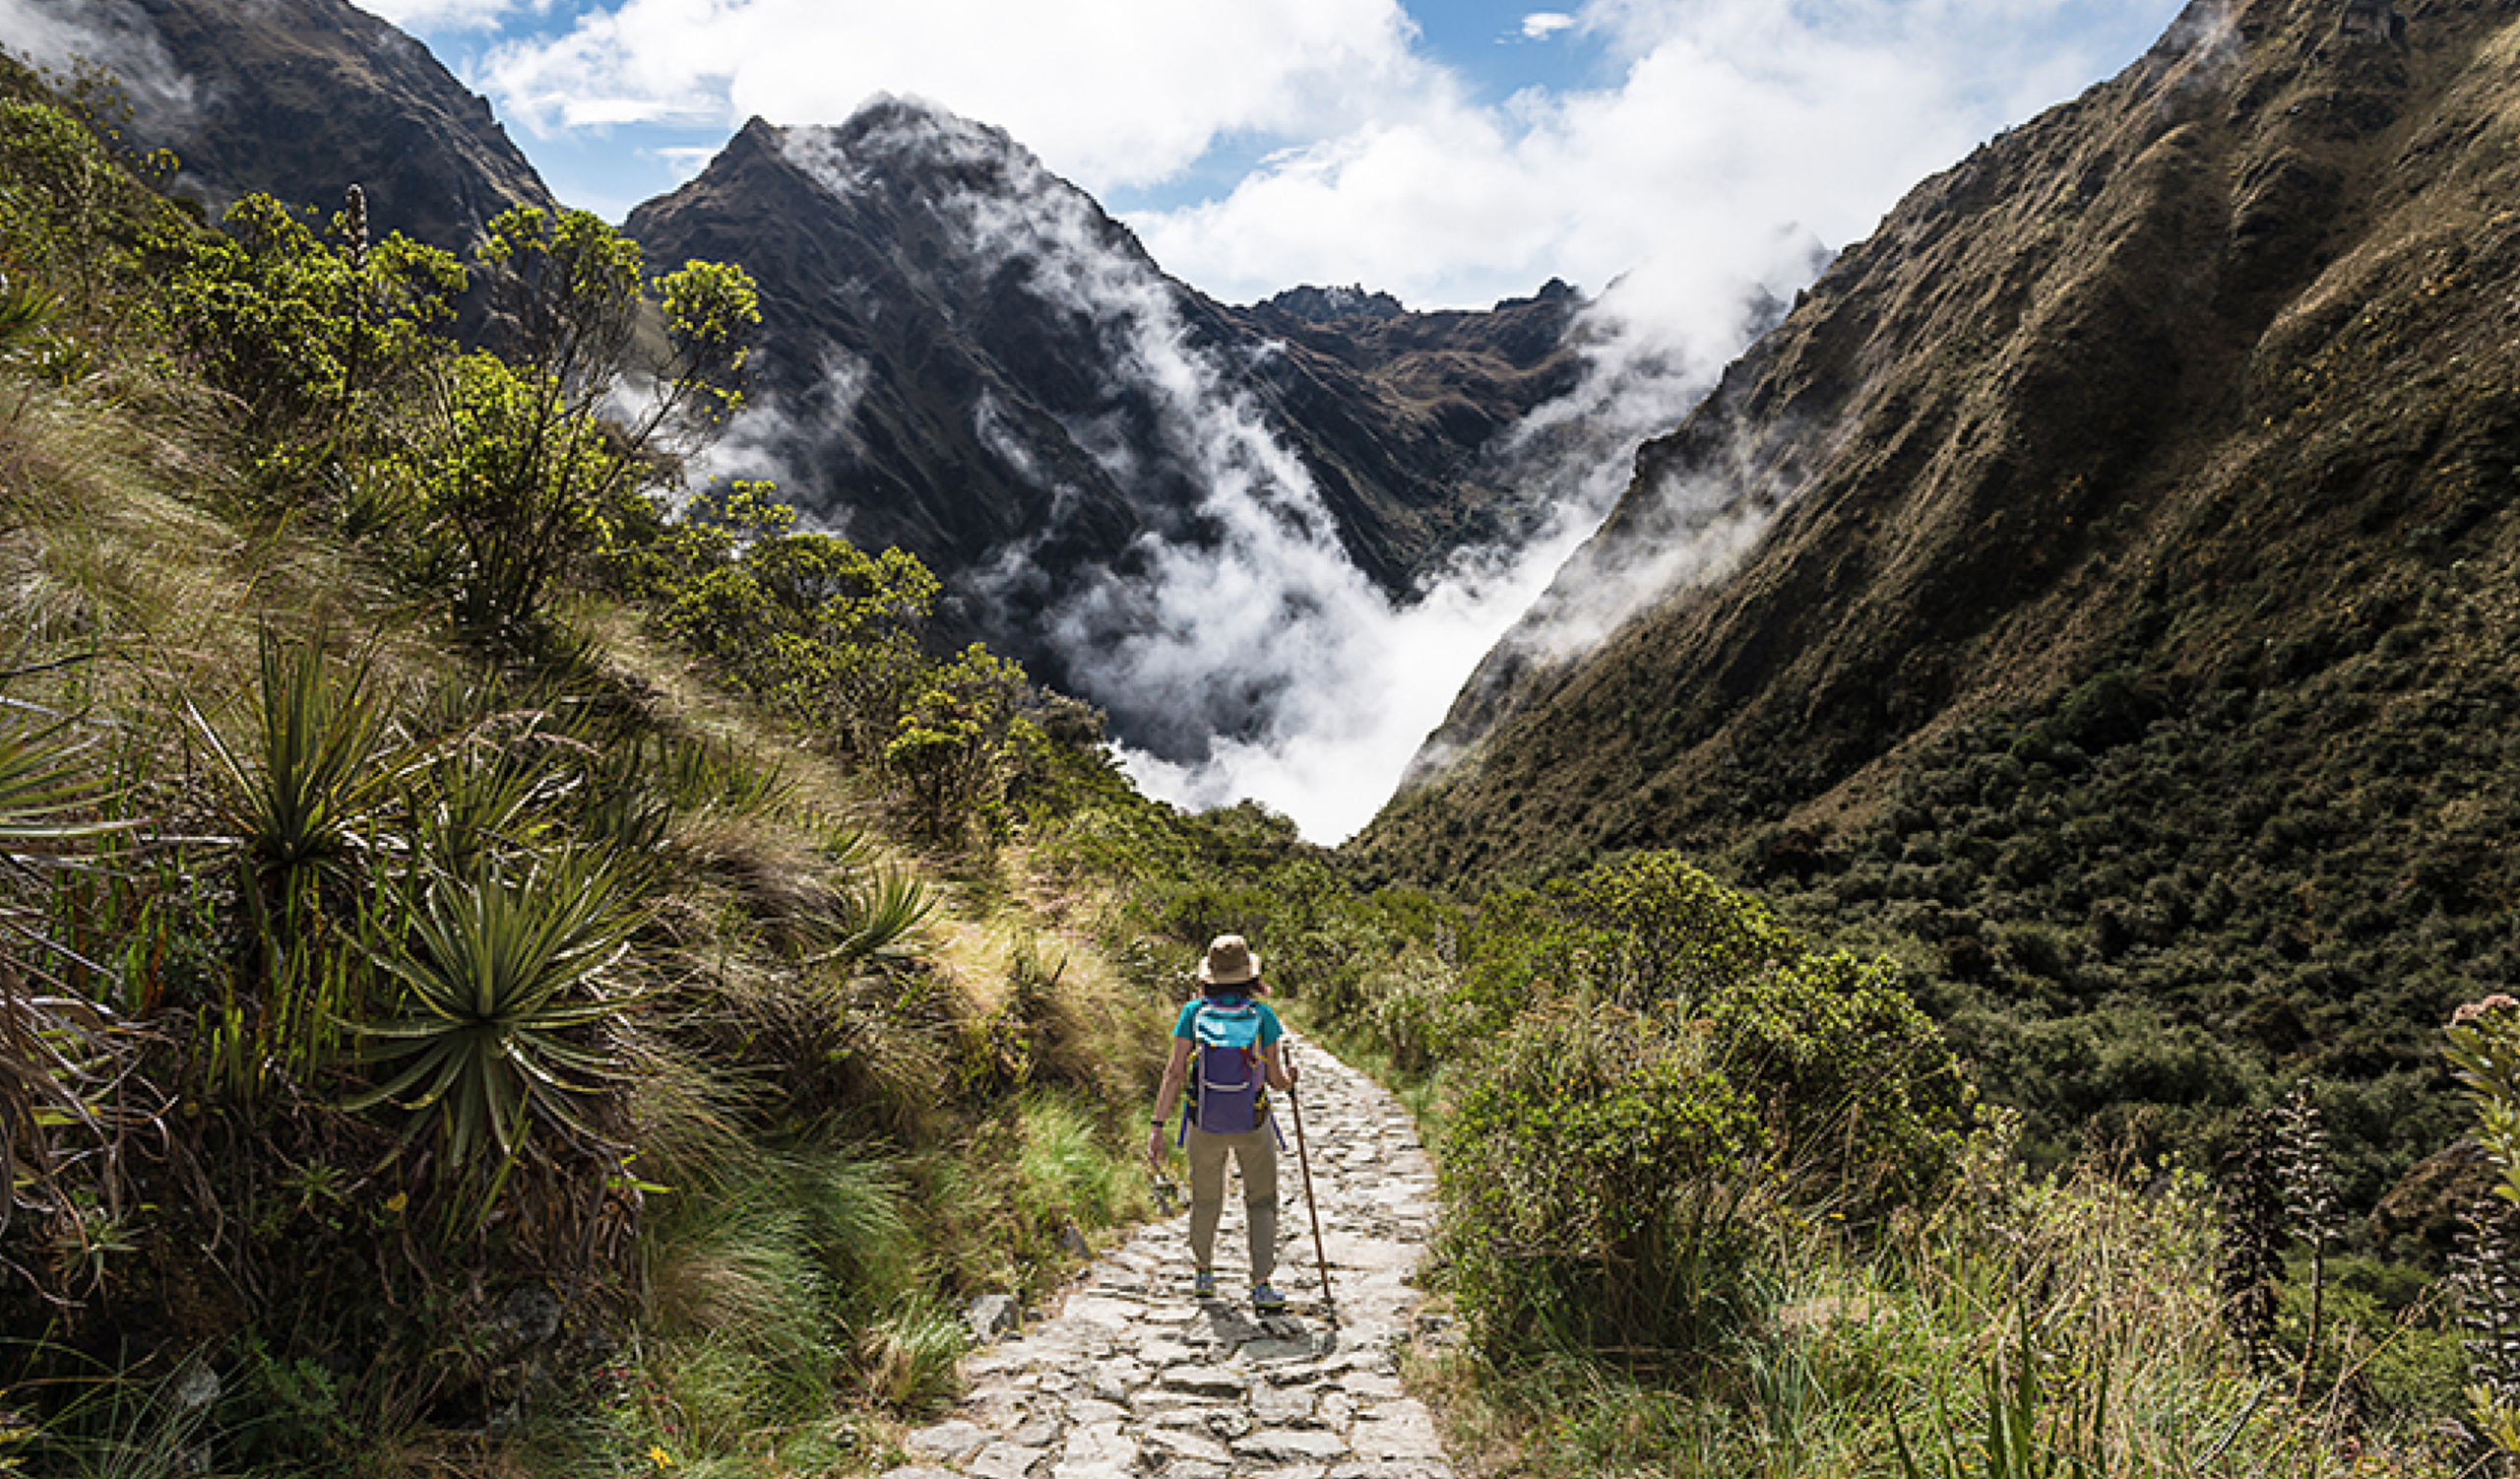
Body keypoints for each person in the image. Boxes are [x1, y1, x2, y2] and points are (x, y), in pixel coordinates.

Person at [1147, 933, 1296, 1314]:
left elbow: (1174, 1072)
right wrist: (1291, 1078)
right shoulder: (1262, 1016)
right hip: (1253, 1121)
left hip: (1205, 1122)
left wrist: (1157, 1124)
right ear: (1248, 975)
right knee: (1261, 1201)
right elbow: (1276, 1080)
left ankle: (1203, 1274)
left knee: (1206, 1199)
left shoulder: (1193, 1013)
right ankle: (1261, 1284)